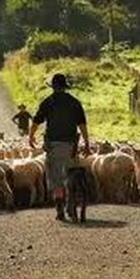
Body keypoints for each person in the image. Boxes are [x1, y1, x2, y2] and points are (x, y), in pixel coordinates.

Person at [29, 73, 90, 221]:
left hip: (53, 146)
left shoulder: (48, 102)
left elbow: (37, 121)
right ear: (65, 87)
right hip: (71, 147)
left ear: (53, 87)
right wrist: (87, 143)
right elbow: (82, 124)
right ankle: (71, 206)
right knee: (70, 178)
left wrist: (30, 136)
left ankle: (60, 210)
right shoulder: (75, 102)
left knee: (56, 180)